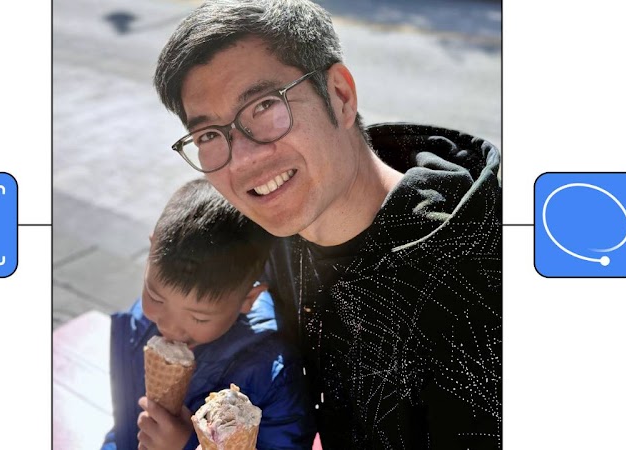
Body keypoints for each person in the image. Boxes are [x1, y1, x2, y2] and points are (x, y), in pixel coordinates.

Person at [153, 1, 502, 449]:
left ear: (340, 95)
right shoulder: (274, 231)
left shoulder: (479, 286)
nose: (242, 161)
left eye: (264, 106)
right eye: (208, 135)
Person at [101, 178, 316, 450]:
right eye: (155, 297)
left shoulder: (271, 373)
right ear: (151, 250)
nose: (170, 327)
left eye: (199, 318)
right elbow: (124, 428)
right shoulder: (139, 325)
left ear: (248, 299)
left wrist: (189, 444)